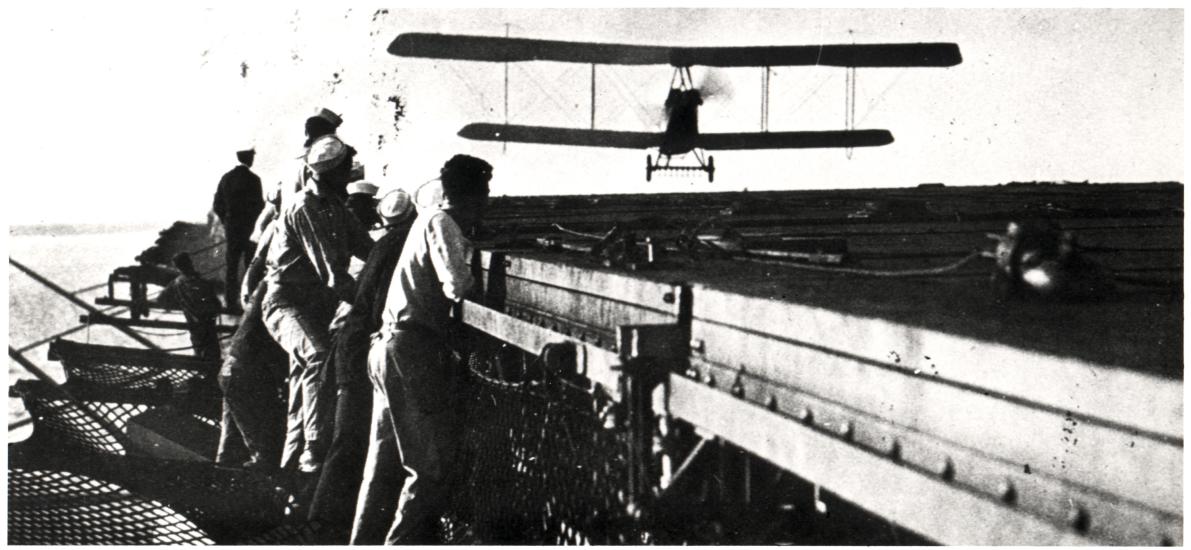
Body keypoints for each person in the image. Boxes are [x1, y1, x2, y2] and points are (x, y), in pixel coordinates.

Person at [353, 155, 492, 544]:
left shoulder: (424, 219)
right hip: (410, 352)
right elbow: (456, 285)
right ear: (475, 195)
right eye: (485, 194)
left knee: (380, 469)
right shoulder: (441, 222)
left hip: (386, 347)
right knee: (428, 469)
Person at [308, 189, 416, 543]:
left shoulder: (384, 243)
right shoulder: (400, 246)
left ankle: (327, 521)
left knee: (348, 439)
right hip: (358, 351)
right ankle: (322, 526)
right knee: (349, 439)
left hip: (351, 347)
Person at [262, 134, 372, 473]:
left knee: (301, 388)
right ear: (332, 173)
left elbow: (367, 249)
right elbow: (334, 276)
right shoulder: (304, 207)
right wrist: (373, 306)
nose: (350, 176)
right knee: (317, 355)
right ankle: (313, 449)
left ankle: (289, 472)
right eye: (346, 171)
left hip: (314, 305)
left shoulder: (335, 206)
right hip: (286, 302)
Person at [213, 147, 264, 312]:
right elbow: (260, 206)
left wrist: (226, 221)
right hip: (249, 230)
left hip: (232, 230)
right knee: (251, 267)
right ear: (249, 159)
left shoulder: (226, 178)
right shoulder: (254, 179)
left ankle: (230, 302)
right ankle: (250, 302)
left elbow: (217, 205)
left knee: (232, 267)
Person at [155, 252, 223, 361]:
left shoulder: (176, 283)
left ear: (177, 267)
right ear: (190, 263)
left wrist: (180, 303)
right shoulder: (204, 283)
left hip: (194, 326)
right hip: (208, 325)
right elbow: (217, 305)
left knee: (199, 354)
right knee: (213, 356)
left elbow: (160, 300)